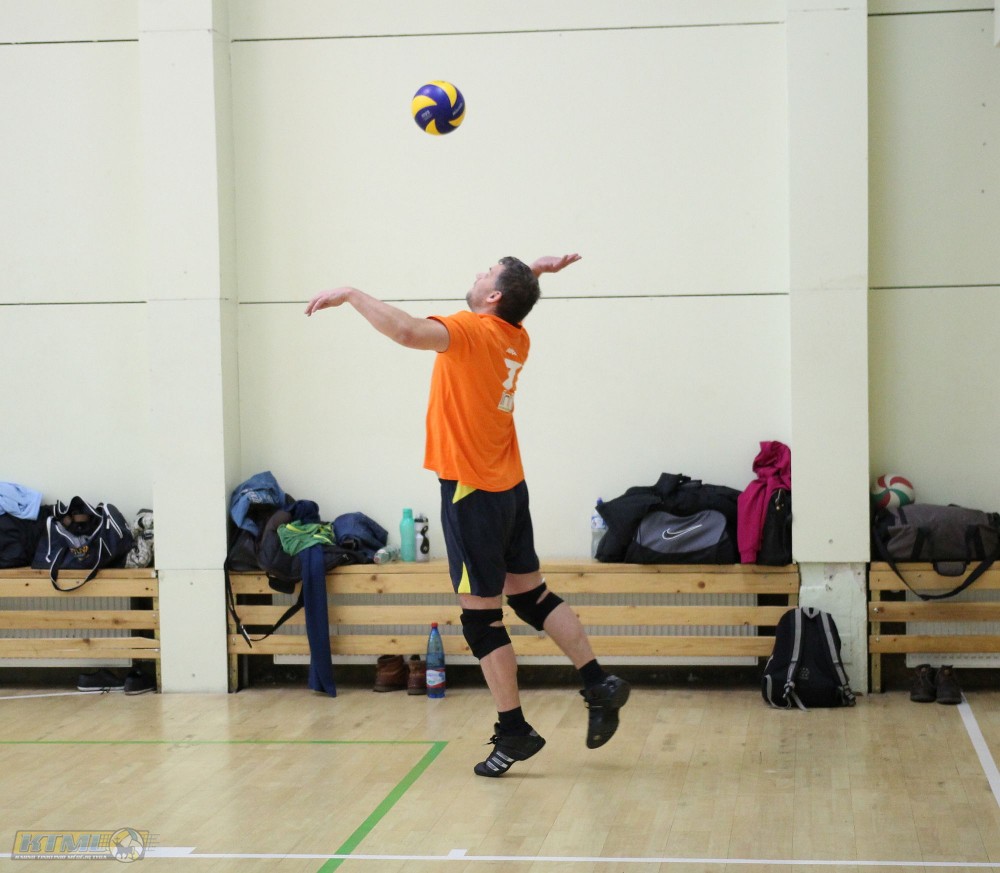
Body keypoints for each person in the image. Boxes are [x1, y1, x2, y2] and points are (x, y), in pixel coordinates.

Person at [304, 254, 630, 776]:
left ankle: (514, 730)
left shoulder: (472, 331)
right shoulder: (515, 337)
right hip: (509, 487)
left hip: (471, 492)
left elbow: (408, 332)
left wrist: (351, 294)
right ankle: (598, 682)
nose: (477, 274)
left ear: (494, 297)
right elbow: (514, 299)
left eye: (486, 274)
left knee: (481, 620)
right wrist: (532, 273)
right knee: (533, 596)